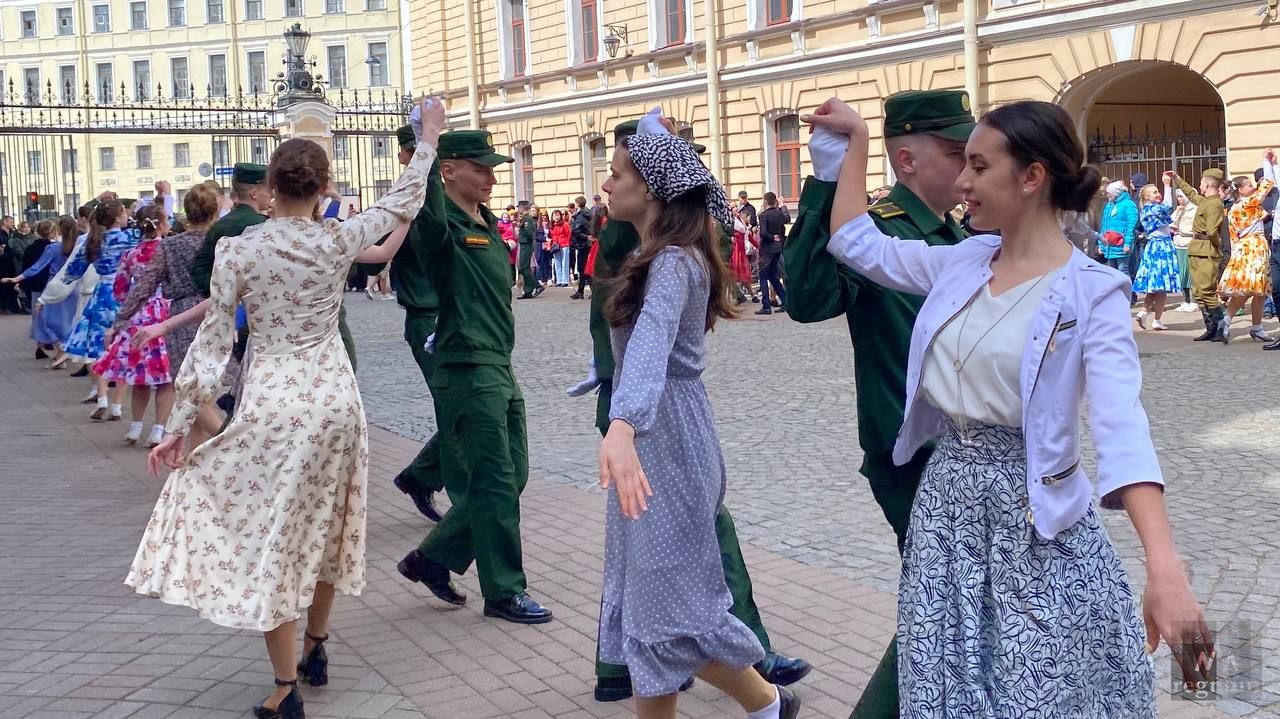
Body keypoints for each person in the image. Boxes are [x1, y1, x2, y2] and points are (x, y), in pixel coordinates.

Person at [811, 95, 1211, 718]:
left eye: (978, 166)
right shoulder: (964, 261)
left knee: (1042, 691)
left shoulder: (1091, 293)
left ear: (1031, 177)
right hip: (946, 507)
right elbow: (857, 243)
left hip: (1037, 520)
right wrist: (859, 141)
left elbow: (1122, 427)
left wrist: (1165, 567)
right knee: (946, 684)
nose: (962, 183)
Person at [126, 96, 445, 719]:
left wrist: (178, 427)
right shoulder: (337, 238)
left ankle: (285, 685)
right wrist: (428, 136)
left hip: (273, 401)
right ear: (324, 189)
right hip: (334, 400)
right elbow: (402, 199)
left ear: (269, 189)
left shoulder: (239, 252)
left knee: (274, 534)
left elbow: (213, 348)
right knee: (327, 525)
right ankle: (317, 647)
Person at [575, 116, 810, 705]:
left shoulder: (675, 262)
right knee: (653, 606)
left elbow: (653, 341)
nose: (607, 186)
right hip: (658, 431)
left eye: (619, 173)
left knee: (665, 605)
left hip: (665, 436)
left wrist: (623, 422)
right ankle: (768, 706)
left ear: (651, 188)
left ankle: (767, 703)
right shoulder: (660, 253)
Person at [784, 88, 973, 719]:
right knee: (940, 609)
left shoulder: (959, 231)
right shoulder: (882, 227)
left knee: (955, 610)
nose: (967, 166)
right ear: (908, 158)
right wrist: (826, 183)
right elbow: (808, 299)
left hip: (976, 454)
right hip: (914, 454)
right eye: (955, 153)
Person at [396, 129, 553, 626]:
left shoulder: (483, 220)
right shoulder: (440, 227)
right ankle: (504, 591)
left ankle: (432, 557)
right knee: (495, 479)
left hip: (497, 365)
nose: (490, 176)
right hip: (467, 367)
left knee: (515, 474)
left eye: (492, 167)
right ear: (449, 171)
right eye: (480, 167)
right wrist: (427, 142)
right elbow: (424, 204)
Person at [118, 183, 224, 446]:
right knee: (202, 393)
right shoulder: (223, 241)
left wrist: (122, 318)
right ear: (216, 209)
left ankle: (228, 444)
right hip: (218, 314)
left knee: (191, 393)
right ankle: (197, 458)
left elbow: (144, 286)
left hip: (179, 318)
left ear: (187, 212)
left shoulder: (170, 246)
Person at [388, 122, 446, 523]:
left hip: (449, 313)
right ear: (404, 156)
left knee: (462, 410)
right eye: (418, 150)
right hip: (425, 318)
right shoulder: (402, 200)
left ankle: (420, 477)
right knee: (458, 409)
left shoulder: (439, 195)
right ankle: (434, 482)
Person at [91, 205, 175, 447]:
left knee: (139, 376)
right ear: (160, 224)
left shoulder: (131, 253)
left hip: (138, 317)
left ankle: (136, 427)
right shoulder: (168, 249)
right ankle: (158, 430)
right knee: (164, 378)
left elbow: (119, 288)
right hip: (165, 314)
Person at [60, 200, 138, 421]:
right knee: (124, 348)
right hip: (126, 292)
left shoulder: (93, 241)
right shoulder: (130, 237)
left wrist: (64, 282)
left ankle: (102, 397)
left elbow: (74, 269)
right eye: (123, 213)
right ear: (117, 218)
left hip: (102, 293)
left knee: (98, 348)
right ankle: (117, 406)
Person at [1214, 156, 1277, 343]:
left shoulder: (1233, 209)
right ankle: (1234, 322)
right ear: (1240, 190)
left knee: (1257, 290)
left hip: (1243, 248)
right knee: (1253, 289)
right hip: (1254, 248)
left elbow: (1233, 235)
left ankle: (1247, 325)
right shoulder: (1249, 202)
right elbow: (1267, 185)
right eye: (1249, 185)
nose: (1253, 187)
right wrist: (1268, 163)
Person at [1170, 167, 1227, 341]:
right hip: (1197, 249)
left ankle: (1220, 327)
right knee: (1198, 292)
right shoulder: (1205, 201)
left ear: (1208, 184)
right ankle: (1210, 328)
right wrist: (1177, 179)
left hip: (1206, 251)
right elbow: (1191, 194)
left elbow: (1212, 231)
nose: (1199, 186)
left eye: (1202, 183)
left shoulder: (1214, 203)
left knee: (1207, 291)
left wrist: (1216, 247)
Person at [1132, 180, 1180, 331]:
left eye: (1157, 191)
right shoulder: (1153, 208)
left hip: (1157, 246)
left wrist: (1170, 228)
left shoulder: (1148, 209)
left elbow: (1161, 224)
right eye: (1154, 192)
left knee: (1157, 286)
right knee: (1161, 285)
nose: (1157, 194)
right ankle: (1153, 317)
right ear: (1146, 197)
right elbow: (1168, 205)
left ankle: (1147, 313)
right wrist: (1167, 185)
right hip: (1161, 248)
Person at [754, 192, 788, 315]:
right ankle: (785, 301)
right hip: (778, 249)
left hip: (767, 249)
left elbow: (763, 233)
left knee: (763, 277)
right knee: (773, 277)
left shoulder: (764, 215)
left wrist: (772, 237)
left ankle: (766, 306)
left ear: (765, 201)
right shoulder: (779, 214)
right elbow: (787, 219)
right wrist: (783, 206)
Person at [1100, 180, 1138, 281]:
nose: (1107, 195)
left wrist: (1127, 244)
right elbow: (1104, 225)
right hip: (1110, 245)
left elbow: (1131, 225)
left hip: (1121, 244)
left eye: (1109, 193)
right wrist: (1101, 243)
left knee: (1123, 270)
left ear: (1116, 192)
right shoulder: (1109, 205)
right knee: (1112, 273)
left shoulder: (1128, 204)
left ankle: (1128, 295)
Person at [1171, 189, 1199, 311]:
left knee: (1190, 273)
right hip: (1179, 244)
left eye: (1182, 196)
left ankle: (1194, 300)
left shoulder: (1195, 210)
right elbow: (1169, 223)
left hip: (1189, 243)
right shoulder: (1179, 210)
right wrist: (1176, 213)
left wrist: (1185, 232)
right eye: (1178, 197)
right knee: (1181, 273)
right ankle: (1185, 300)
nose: (1180, 199)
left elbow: (1196, 227)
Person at [516, 201, 542, 299]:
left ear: (523, 207)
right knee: (525, 268)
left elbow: (529, 233)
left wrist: (529, 241)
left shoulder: (527, 219)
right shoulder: (525, 218)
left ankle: (537, 286)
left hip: (525, 245)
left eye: (519, 207)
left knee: (523, 268)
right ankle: (528, 291)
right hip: (524, 244)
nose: (518, 209)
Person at [570, 195, 594, 299]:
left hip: (582, 244)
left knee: (582, 268)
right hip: (588, 243)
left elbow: (576, 230)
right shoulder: (589, 213)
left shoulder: (580, 216)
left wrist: (585, 237)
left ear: (578, 204)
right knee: (585, 268)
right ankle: (581, 290)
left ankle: (585, 291)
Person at [550, 208, 572, 286]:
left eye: (557, 215)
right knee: (557, 263)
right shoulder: (552, 225)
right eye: (554, 216)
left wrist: (566, 242)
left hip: (564, 245)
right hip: (556, 246)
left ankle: (565, 280)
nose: (556, 217)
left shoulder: (565, 224)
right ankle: (559, 280)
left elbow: (568, 234)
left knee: (564, 263)